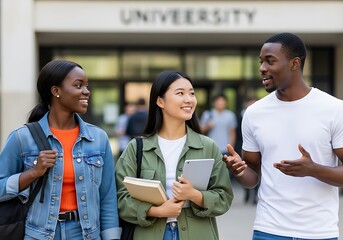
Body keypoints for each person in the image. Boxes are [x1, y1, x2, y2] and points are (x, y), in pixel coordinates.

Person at [223, 32, 343, 240]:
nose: (262, 68)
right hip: (268, 230)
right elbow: (252, 176)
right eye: (261, 62)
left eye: (270, 61)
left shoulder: (334, 109)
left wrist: (313, 170)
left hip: (319, 232)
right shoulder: (254, 113)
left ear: (294, 63)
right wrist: (239, 170)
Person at [0, 60, 121, 240]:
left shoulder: (98, 138)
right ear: (55, 91)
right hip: (38, 235)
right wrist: (33, 173)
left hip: (87, 235)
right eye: (78, 85)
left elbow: (108, 199)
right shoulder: (22, 138)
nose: (86, 91)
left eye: (86, 86)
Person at [115, 70, 233, 240]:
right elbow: (121, 199)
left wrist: (195, 195)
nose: (189, 99)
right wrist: (157, 211)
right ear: (160, 101)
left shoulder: (208, 146)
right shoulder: (136, 148)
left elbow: (224, 197)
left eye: (192, 93)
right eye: (180, 93)